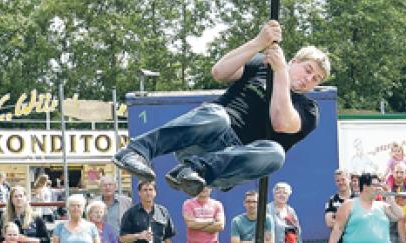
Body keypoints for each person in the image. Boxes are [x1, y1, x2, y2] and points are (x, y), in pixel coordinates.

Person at [112, 21, 330, 195]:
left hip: (224, 164)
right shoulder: (260, 66)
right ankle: (137, 151)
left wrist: (281, 72)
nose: (309, 79)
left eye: (316, 79)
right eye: (308, 69)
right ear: (294, 61)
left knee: (276, 154)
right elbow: (219, 72)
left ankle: (192, 171)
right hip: (208, 135)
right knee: (218, 116)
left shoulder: (309, 110)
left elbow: (280, 121)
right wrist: (258, 42)